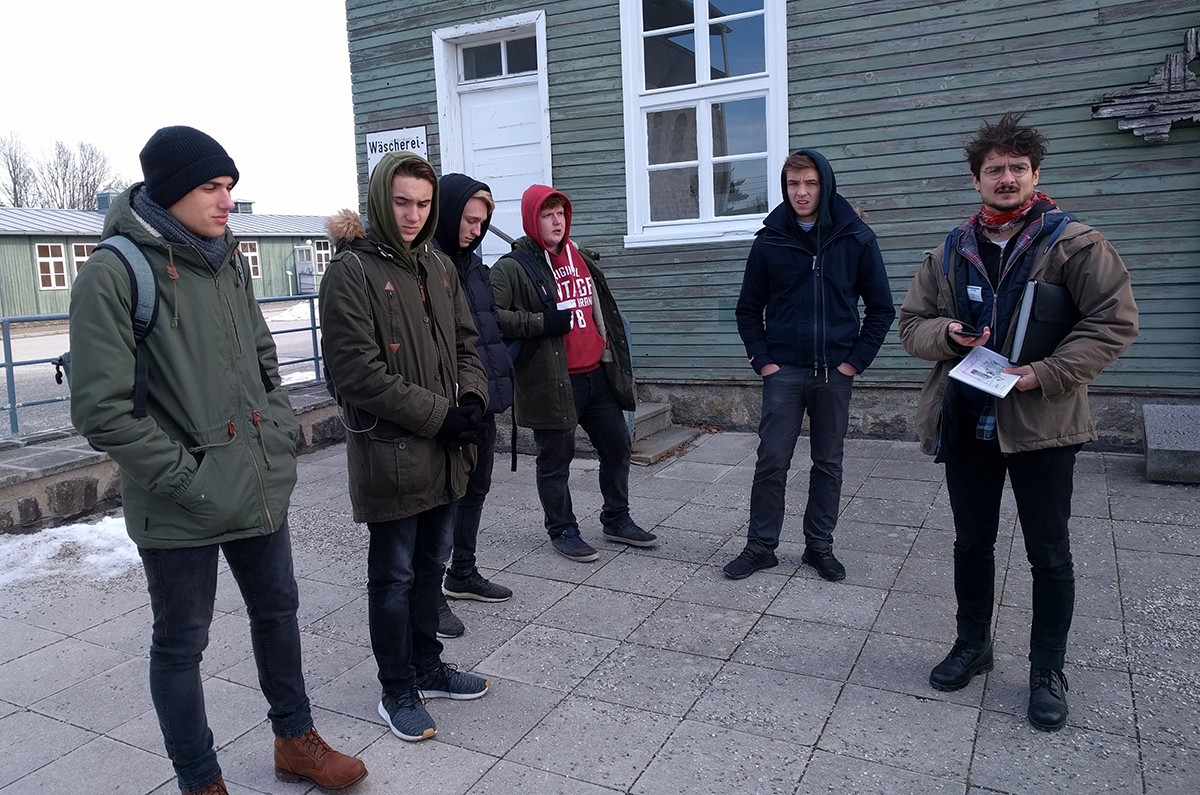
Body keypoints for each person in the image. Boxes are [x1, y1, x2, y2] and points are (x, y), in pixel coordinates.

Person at [69, 126, 366, 795]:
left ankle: (296, 738)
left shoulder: (227, 257)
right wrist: (182, 476)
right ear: (172, 189)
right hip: (180, 499)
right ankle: (201, 780)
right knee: (181, 644)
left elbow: (264, 357)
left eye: (229, 186)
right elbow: (99, 410)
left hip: (256, 480)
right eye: (212, 186)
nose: (227, 199)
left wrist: (280, 431)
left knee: (279, 612)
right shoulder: (114, 272)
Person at [898, 112, 1138, 731]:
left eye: (1017, 169)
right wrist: (947, 334)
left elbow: (1113, 323)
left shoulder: (1076, 243)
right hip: (968, 417)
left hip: (1044, 423)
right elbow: (911, 326)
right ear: (976, 180)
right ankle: (973, 646)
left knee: (1049, 554)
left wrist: (1046, 373)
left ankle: (1046, 670)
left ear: (1036, 175)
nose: (1006, 178)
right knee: (971, 544)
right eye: (994, 170)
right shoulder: (951, 248)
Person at [320, 151, 492, 744]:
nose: (414, 214)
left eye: (424, 203)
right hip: (393, 455)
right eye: (402, 202)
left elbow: (468, 345)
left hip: (446, 455)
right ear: (379, 201)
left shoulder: (439, 266)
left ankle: (428, 665)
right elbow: (357, 374)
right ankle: (397, 688)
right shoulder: (350, 272)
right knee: (392, 577)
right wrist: (441, 416)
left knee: (430, 568)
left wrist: (470, 400)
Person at [726, 150, 895, 582]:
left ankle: (819, 547)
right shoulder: (770, 240)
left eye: (810, 183)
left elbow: (880, 309)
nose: (801, 192)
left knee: (828, 464)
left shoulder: (855, 237)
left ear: (825, 184)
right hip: (783, 372)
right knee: (771, 461)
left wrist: (854, 363)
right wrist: (763, 362)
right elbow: (748, 309)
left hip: (834, 373)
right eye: (793, 184)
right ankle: (761, 546)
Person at [490, 185, 654, 562]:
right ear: (533, 220)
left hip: (596, 375)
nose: (556, 221)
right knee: (555, 461)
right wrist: (540, 321)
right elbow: (493, 317)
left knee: (616, 445)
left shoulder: (577, 254)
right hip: (553, 380)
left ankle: (616, 518)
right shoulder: (512, 267)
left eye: (561, 213)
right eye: (547, 215)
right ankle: (562, 529)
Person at [429, 173, 515, 638]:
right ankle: (431, 595)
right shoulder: (427, 266)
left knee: (476, 491)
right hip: (447, 409)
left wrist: (499, 386)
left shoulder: (475, 266)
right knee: (446, 497)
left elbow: (488, 330)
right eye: (467, 220)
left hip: (481, 402)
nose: (474, 231)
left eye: (481, 224)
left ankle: (463, 572)